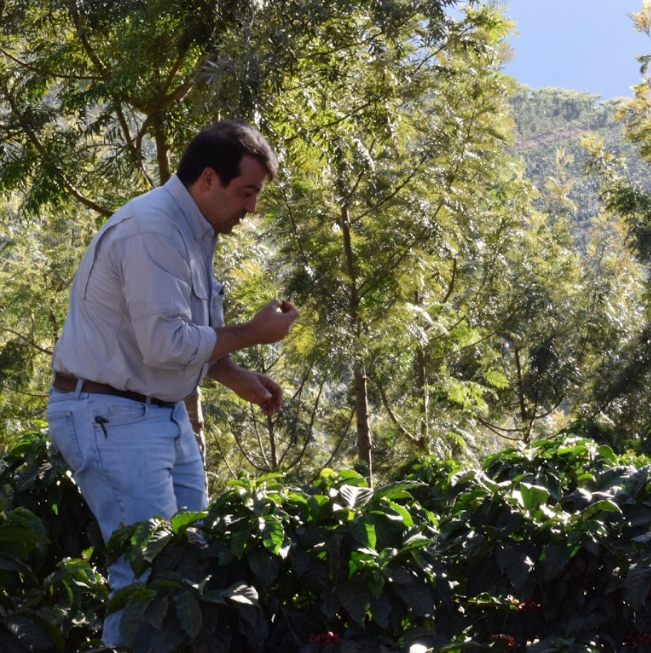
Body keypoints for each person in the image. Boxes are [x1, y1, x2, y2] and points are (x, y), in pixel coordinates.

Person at [46, 119, 298, 648]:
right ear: (209, 179)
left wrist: (233, 376)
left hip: (159, 413)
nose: (252, 208)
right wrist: (254, 332)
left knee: (189, 560)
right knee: (146, 578)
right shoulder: (152, 231)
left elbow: (173, 335)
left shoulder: (193, 229)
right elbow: (165, 344)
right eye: (246, 192)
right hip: (111, 415)